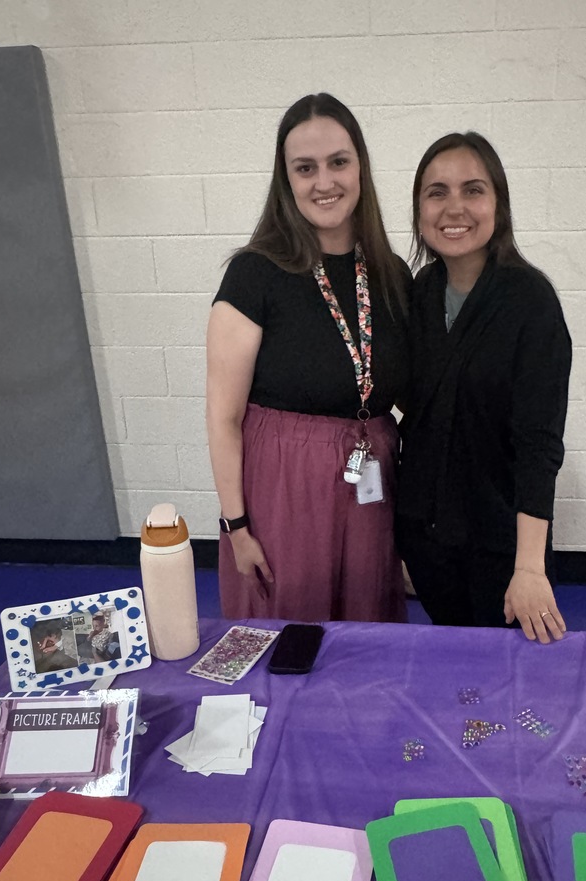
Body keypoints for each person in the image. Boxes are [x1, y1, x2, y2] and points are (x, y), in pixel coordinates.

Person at [206, 93, 410, 623]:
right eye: (306, 168)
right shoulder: (255, 273)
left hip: (370, 484)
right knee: (288, 638)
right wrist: (237, 527)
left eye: (338, 162)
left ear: (360, 166)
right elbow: (223, 417)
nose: (325, 182)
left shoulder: (391, 274)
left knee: (367, 634)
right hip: (283, 489)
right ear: (286, 179)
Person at [396, 132, 572, 643]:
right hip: (428, 543)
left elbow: (539, 445)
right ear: (419, 209)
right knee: (453, 685)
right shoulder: (418, 295)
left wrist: (530, 569)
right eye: (437, 192)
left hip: (503, 547)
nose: (455, 208)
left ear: (499, 203)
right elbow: (422, 403)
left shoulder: (530, 302)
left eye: (473, 190)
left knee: (515, 696)